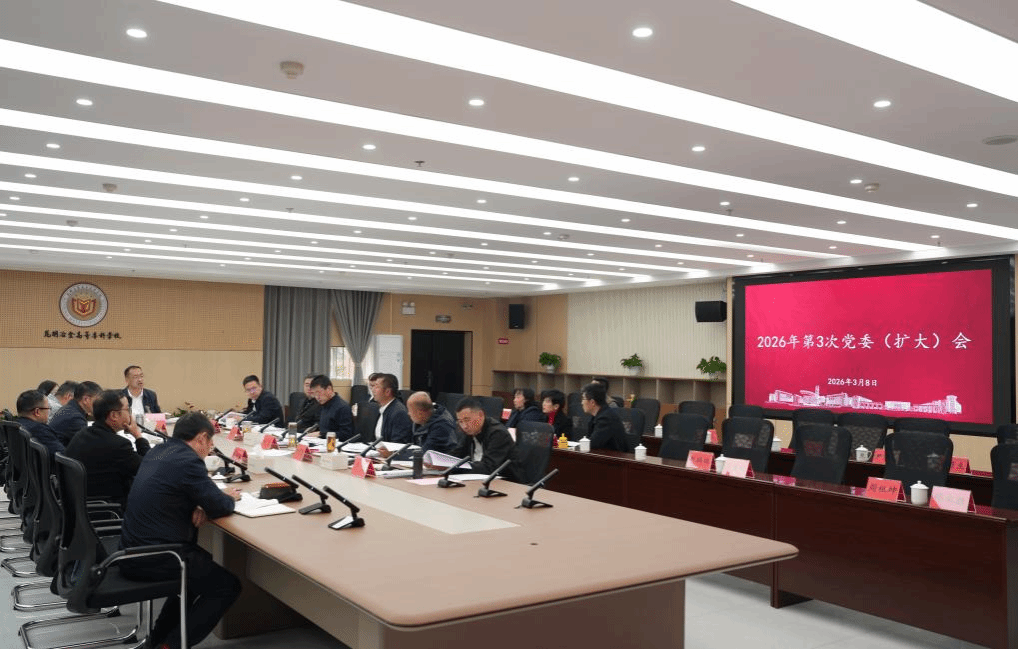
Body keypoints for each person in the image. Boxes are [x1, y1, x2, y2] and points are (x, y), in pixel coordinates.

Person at [119, 412, 242, 649]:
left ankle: (157, 641)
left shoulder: (158, 451)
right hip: (158, 556)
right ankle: (171, 646)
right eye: (211, 443)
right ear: (202, 438)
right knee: (226, 586)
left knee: (198, 570)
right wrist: (226, 498)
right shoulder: (189, 461)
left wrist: (201, 503)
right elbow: (220, 505)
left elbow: (178, 490)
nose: (210, 449)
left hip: (131, 549)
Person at [64, 389, 150, 509]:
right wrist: (138, 436)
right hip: (109, 508)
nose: (130, 414)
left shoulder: (82, 434)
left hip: (82, 506)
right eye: (127, 409)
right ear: (114, 415)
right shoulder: (118, 445)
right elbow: (149, 468)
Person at [446, 397, 515, 474]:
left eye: (467, 420)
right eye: (460, 421)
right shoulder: (470, 432)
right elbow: (457, 454)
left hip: (503, 479)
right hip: (476, 477)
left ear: (481, 415)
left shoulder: (498, 433)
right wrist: (442, 463)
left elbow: (488, 467)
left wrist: (456, 468)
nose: (464, 426)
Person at [50, 380, 102, 445]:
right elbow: (91, 444)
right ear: (86, 399)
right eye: (97, 401)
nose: (100, 404)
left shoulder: (69, 409)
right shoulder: (75, 418)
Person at [15, 390, 65, 457]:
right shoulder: (39, 430)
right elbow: (64, 456)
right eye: (48, 408)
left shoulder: (16, 425)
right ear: (37, 412)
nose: (49, 412)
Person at [581, 382, 630, 451]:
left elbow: (593, 443)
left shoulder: (606, 418)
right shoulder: (597, 415)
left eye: (583, 399)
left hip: (614, 456)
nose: (582, 402)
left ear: (592, 402)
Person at [309, 374, 353, 441]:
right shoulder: (323, 404)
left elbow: (346, 435)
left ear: (329, 389)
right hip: (321, 442)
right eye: (314, 394)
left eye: (318, 393)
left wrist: (321, 434)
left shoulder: (342, 407)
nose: (317, 397)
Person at [372, 373, 412, 443]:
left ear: (387, 392)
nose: (373, 390)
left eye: (377, 387)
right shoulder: (382, 409)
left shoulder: (399, 412)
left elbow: (398, 443)